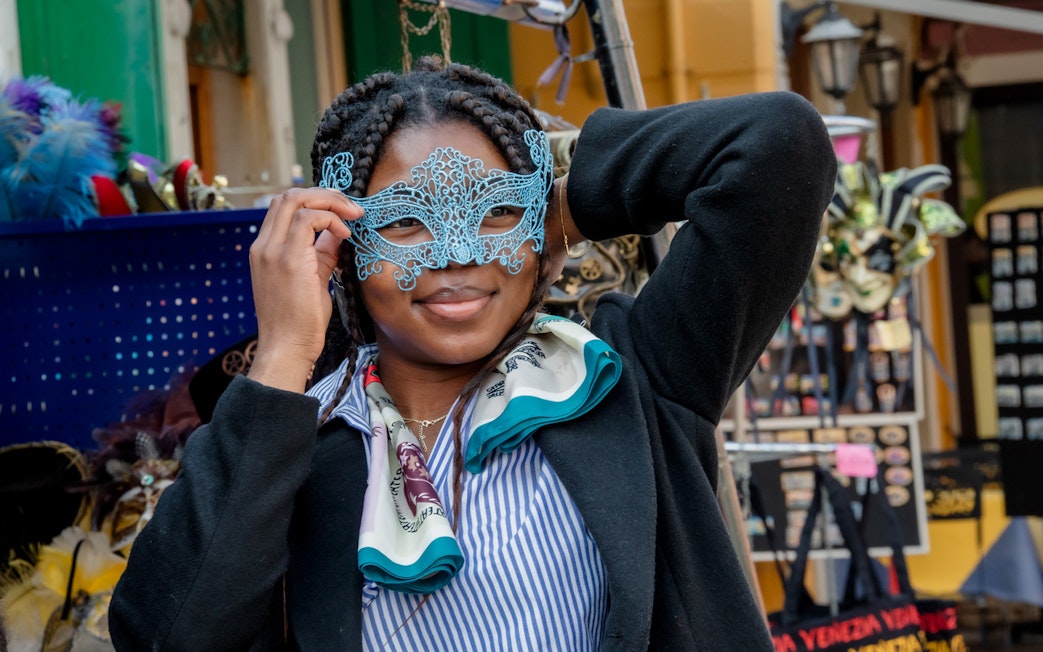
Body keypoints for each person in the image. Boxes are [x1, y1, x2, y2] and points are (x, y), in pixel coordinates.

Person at [109, 56, 837, 650]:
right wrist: (283, 355)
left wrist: (560, 213)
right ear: (342, 239)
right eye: (406, 223)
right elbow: (170, 635)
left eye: (495, 211)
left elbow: (776, 144)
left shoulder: (625, 384)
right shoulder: (296, 447)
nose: (456, 255)